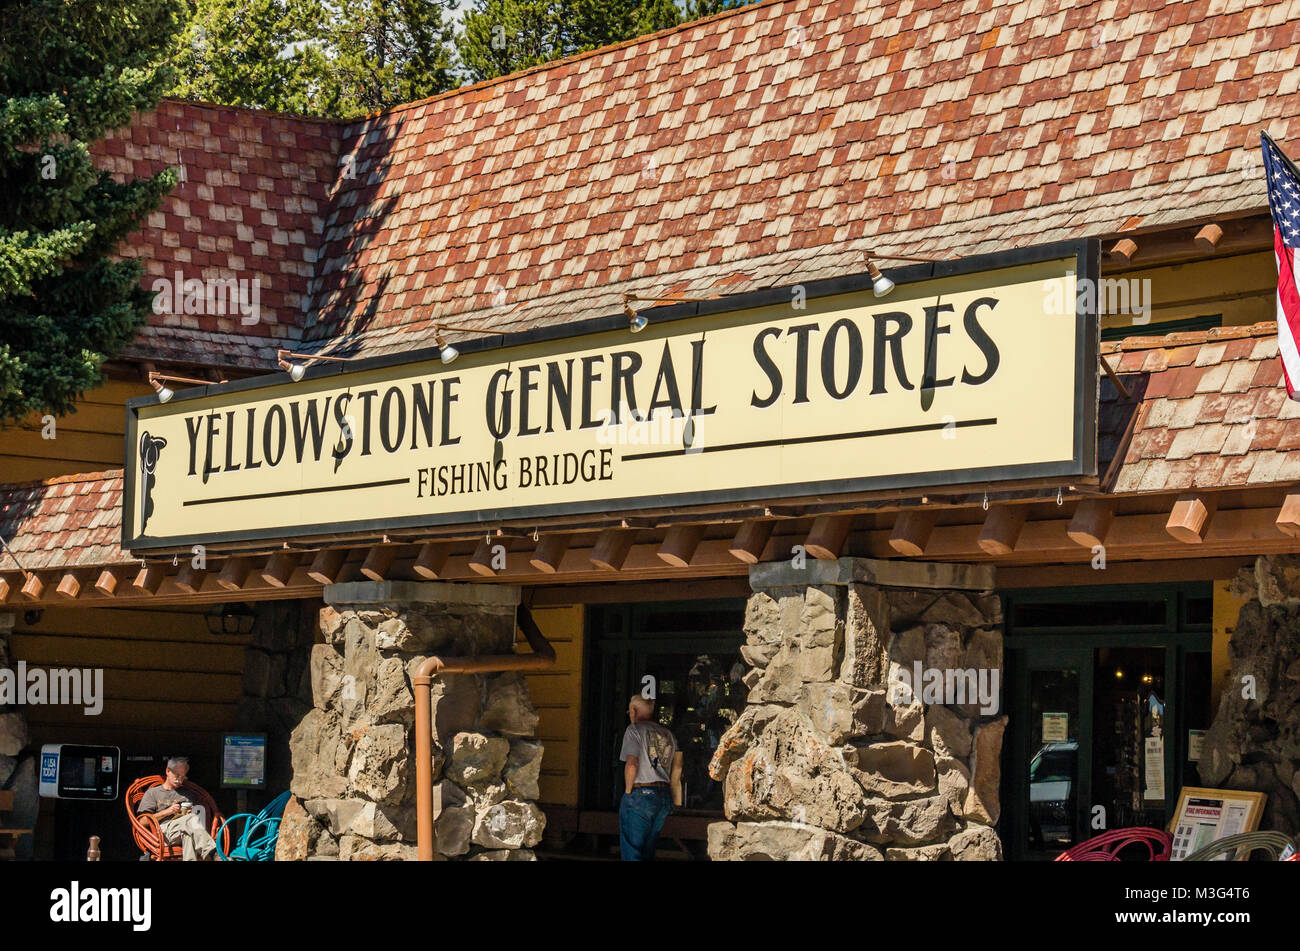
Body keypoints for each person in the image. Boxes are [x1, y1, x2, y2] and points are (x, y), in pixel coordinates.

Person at [618, 695, 682, 861]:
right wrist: (676, 801)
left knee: (633, 853)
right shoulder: (669, 734)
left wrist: (628, 791)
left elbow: (632, 763)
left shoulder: (634, 730)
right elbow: (678, 768)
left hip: (641, 793)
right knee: (648, 852)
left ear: (633, 710)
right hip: (663, 797)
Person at [136, 756, 217, 861]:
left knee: (188, 832)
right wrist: (167, 812)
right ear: (168, 771)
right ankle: (213, 853)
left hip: (185, 828)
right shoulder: (153, 793)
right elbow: (142, 822)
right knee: (190, 821)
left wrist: (192, 812)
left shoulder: (188, 794)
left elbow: (199, 819)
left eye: (183, 777)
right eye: (177, 775)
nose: (179, 780)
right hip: (162, 833)